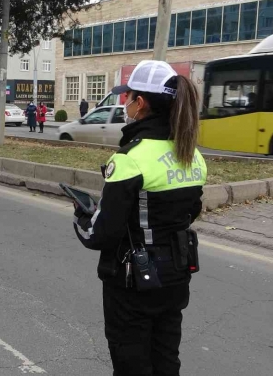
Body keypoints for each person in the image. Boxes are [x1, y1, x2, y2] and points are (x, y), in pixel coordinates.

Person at [72, 60, 207, 376]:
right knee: (166, 358)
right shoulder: (191, 154)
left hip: (134, 280)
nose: (125, 103)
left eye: (128, 96)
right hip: (177, 273)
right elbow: (191, 211)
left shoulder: (131, 158)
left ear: (141, 102)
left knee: (131, 361)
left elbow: (102, 234)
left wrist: (82, 217)